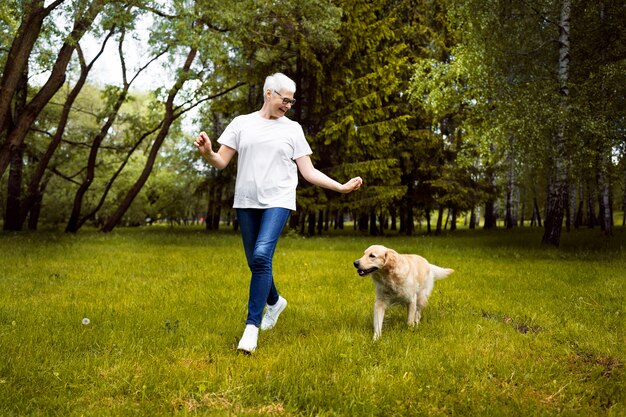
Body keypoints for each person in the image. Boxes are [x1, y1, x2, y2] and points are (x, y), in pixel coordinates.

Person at [194, 73, 363, 353]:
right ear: (268, 93)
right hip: (246, 201)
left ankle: (251, 327)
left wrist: (341, 187)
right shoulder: (242, 124)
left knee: (261, 256)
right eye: (285, 99)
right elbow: (221, 161)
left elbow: (308, 172)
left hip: (278, 200)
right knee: (255, 262)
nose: (288, 105)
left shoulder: (292, 129)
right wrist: (208, 152)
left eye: (292, 101)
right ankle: (274, 302)